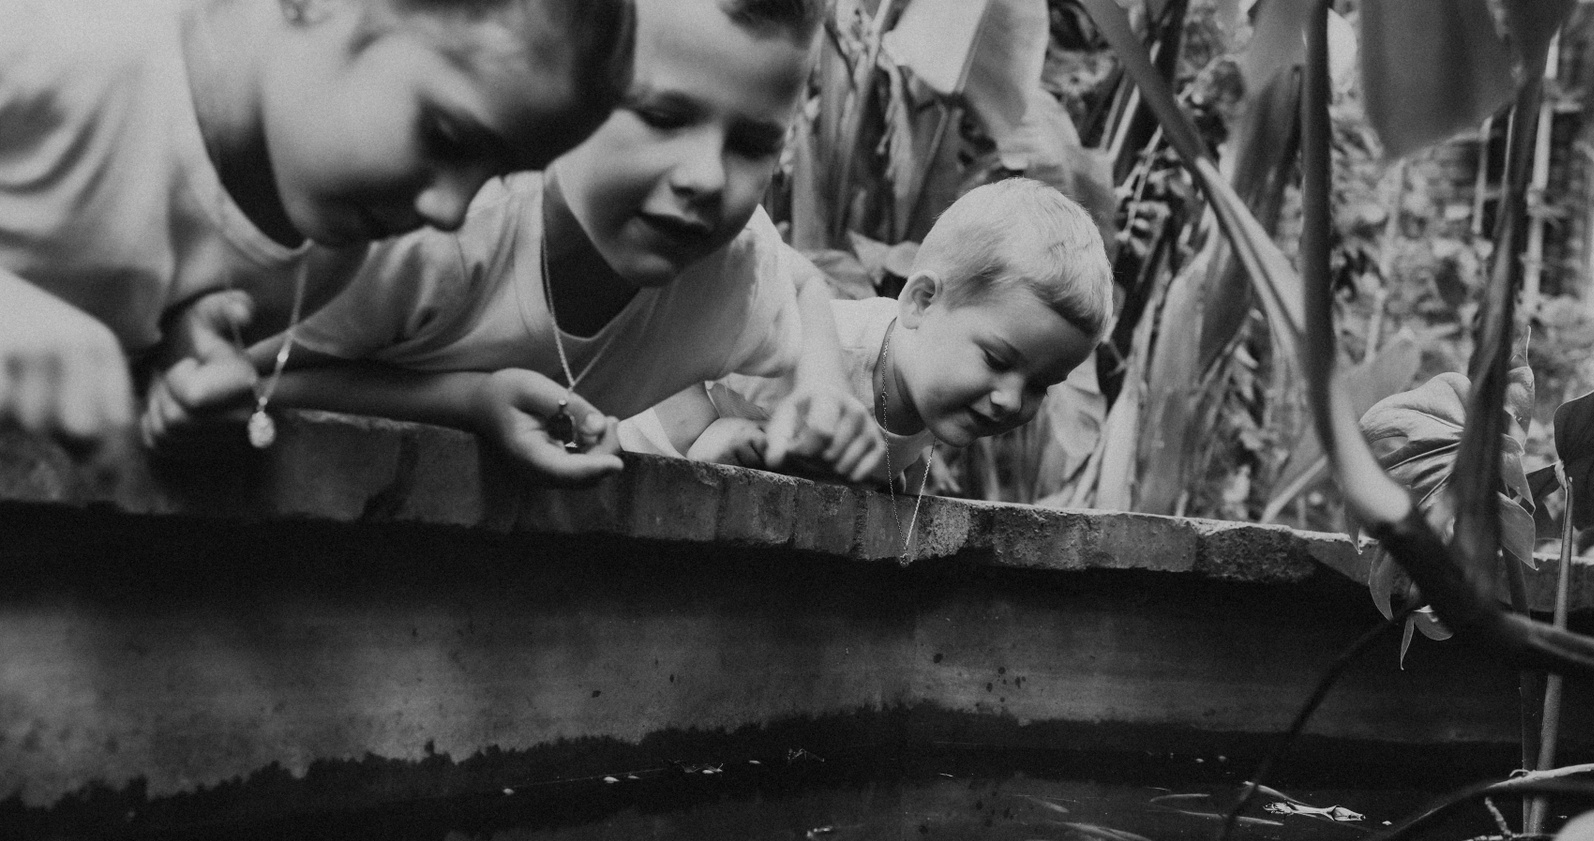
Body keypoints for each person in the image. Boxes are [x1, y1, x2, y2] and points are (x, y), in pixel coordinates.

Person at [275, 0, 887, 487]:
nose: (706, 177)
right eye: (663, 117)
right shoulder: (441, 223)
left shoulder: (726, 270)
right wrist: (467, 400)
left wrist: (823, 385)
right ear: (568, 87)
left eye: (753, 145)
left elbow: (799, 281)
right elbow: (243, 371)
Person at [0, 0, 635, 450]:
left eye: (496, 177)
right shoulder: (59, 42)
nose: (449, 213)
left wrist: (184, 375)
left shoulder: (329, 251)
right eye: (444, 137)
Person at [652, 176, 1112, 485]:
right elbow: (679, 312)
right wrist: (697, 432)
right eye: (997, 360)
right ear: (921, 302)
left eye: (1039, 386)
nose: (1010, 400)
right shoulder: (823, 343)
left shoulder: (934, 392)